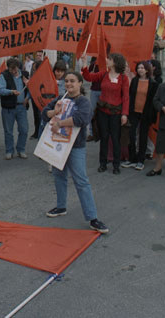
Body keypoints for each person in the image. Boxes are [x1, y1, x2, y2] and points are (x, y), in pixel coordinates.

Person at [42, 71, 109, 234]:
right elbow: (44, 113)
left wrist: (59, 123)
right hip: (59, 144)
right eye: (66, 81)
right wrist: (54, 112)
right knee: (59, 176)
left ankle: (93, 218)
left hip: (75, 147)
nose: (69, 84)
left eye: (72, 81)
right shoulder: (61, 98)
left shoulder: (83, 101)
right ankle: (61, 206)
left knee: (81, 181)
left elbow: (82, 119)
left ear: (80, 83)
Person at [81, 53, 129, 174]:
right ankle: (103, 163)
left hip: (116, 113)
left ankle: (116, 165)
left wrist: (124, 114)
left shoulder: (123, 78)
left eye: (110, 59)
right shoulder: (103, 74)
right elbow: (88, 77)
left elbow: (126, 97)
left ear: (116, 62)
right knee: (104, 138)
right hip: (103, 111)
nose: (107, 60)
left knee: (116, 139)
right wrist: (84, 62)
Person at [122, 61, 158, 171]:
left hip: (146, 113)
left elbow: (153, 101)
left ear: (147, 70)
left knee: (143, 136)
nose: (140, 70)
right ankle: (132, 158)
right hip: (134, 112)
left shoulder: (153, 83)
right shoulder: (135, 81)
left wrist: (152, 115)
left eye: (142, 68)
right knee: (131, 134)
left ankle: (141, 160)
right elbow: (130, 96)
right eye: (138, 68)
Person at [0, 57, 30, 160]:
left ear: (18, 67)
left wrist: (27, 98)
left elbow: (31, 88)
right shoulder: (4, 75)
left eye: (15, 68)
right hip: (8, 107)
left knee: (24, 129)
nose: (14, 71)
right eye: (11, 69)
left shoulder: (25, 75)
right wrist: (11, 92)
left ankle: (21, 149)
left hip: (21, 106)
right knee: (8, 131)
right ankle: (9, 150)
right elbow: (0, 90)